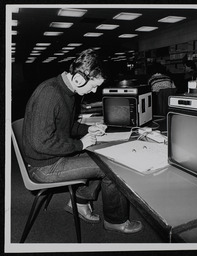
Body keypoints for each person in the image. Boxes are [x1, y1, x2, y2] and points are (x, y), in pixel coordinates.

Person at [22, 49, 143, 234]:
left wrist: (88, 130)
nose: (94, 91)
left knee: (101, 153)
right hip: (44, 167)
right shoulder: (50, 94)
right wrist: (81, 144)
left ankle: (79, 202)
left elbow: (66, 127)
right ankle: (115, 221)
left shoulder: (67, 91)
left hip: (53, 156)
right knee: (111, 169)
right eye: (94, 85)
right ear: (79, 78)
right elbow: (41, 143)